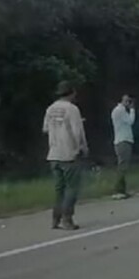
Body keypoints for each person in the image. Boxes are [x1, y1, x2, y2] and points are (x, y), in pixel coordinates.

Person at [43, 81, 89, 230]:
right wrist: (82, 147)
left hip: (53, 153)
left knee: (59, 189)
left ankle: (55, 219)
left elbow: (45, 129)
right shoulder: (72, 109)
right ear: (72, 93)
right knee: (71, 188)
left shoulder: (50, 109)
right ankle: (67, 218)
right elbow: (77, 132)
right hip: (69, 153)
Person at [111, 94, 136, 199]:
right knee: (122, 166)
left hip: (121, 140)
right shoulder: (120, 111)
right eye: (126, 101)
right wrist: (132, 110)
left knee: (123, 166)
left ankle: (122, 189)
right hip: (123, 141)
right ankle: (118, 190)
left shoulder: (118, 111)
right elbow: (131, 121)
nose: (128, 103)